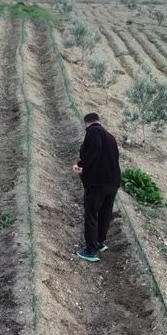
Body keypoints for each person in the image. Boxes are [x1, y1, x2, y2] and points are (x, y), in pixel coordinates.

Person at [72, 112, 121, 262]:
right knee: (105, 212)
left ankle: (90, 250)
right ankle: (100, 242)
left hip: (98, 183)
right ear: (99, 121)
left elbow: (94, 150)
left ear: (87, 123)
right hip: (113, 182)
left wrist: (81, 165)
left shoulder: (93, 132)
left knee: (91, 213)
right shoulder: (110, 137)